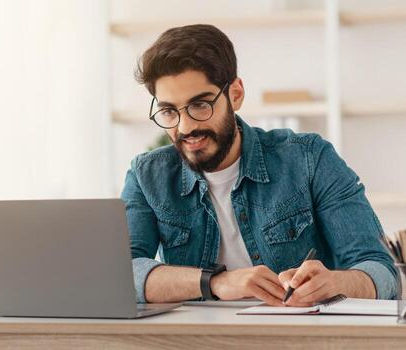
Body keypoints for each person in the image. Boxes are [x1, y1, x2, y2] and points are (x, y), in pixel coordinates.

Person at [122, 24, 397, 307]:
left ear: (236, 94)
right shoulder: (147, 176)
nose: (186, 127)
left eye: (201, 105)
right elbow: (120, 273)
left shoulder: (309, 158)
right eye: (169, 111)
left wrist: (337, 283)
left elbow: (383, 271)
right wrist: (216, 282)